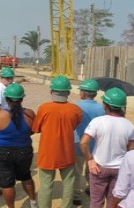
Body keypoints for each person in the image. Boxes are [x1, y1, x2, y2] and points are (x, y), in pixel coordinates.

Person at [80, 87, 134, 208]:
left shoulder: (97, 122)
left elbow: (83, 143)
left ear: (105, 105)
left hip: (99, 168)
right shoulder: (129, 125)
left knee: (96, 202)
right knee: (112, 202)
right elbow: (131, 148)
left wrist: (90, 160)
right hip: (119, 169)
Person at [32, 75, 82, 208]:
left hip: (47, 153)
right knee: (69, 183)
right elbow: (74, 126)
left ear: (51, 92)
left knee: (46, 185)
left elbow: (36, 128)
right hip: (67, 152)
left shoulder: (44, 108)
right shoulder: (76, 110)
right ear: (69, 92)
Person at [0, 83, 38, 208]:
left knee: (7, 183)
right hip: (24, 150)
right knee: (26, 176)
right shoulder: (30, 114)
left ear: (6, 98)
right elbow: (34, 130)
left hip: (2, 151)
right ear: (22, 98)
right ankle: (33, 203)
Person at [73, 79, 105, 205]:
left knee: (77, 171)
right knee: (92, 170)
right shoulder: (102, 108)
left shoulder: (76, 107)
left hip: (78, 144)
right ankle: (91, 189)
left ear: (82, 93)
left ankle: (76, 196)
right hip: (95, 146)